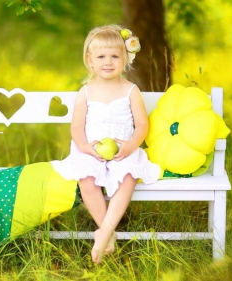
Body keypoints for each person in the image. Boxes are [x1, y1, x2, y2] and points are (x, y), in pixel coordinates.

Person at [51, 24, 161, 264]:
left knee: (128, 176)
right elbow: (76, 128)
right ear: (90, 60)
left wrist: (131, 146)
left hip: (123, 149)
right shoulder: (86, 92)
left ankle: (102, 234)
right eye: (101, 56)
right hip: (91, 149)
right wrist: (85, 147)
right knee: (87, 180)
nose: (108, 61)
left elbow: (142, 125)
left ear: (125, 59)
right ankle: (107, 233)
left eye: (114, 56)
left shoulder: (131, 90)